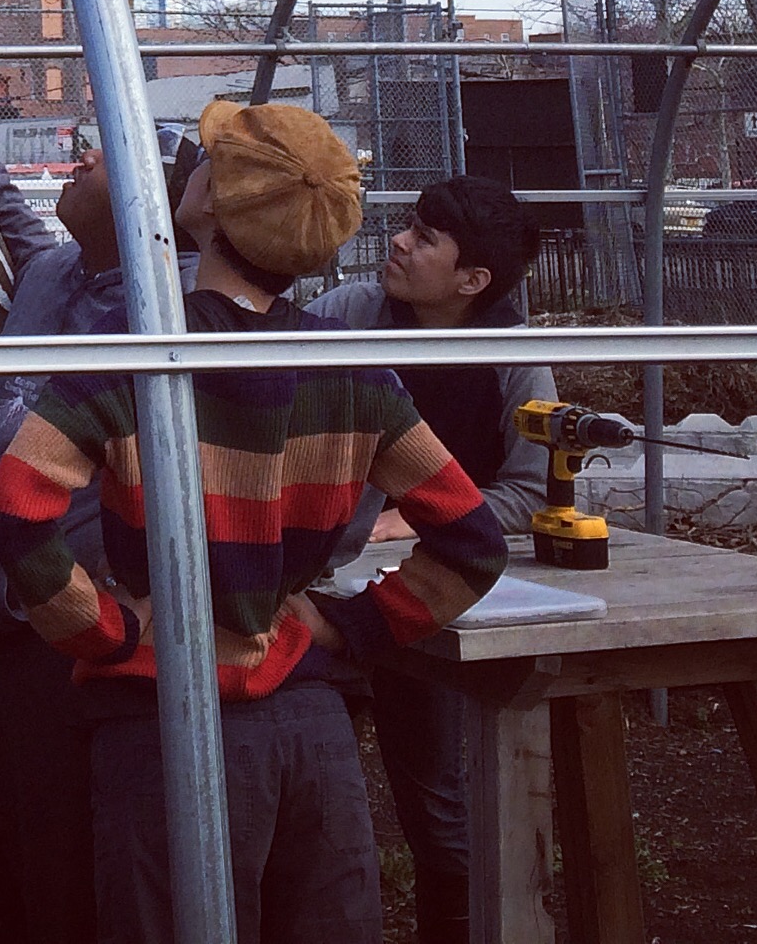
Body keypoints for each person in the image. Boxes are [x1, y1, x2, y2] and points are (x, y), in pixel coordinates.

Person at [0, 100, 511, 944]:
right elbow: (472, 540)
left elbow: (15, 507)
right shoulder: (353, 376)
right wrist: (347, 627)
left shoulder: (132, 357)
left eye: (206, 162)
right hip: (310, 724)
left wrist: (109, 631)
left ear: (212, 206)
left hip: (162, 727)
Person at [0, 129, 200, 944]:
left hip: (62, 651)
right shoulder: (54, 274)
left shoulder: (171, 308)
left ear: (154, 201)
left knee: (57, 886)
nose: (79, 157)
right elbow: (23, 234)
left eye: (103, 150)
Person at [306, 175, 553, 944]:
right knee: (307, 781)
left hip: (434, 584)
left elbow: (530, 487)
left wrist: (414, 517)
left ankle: (458, 916)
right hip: (318, 577)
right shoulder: (349, 313)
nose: (400, 242)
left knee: (435, 797)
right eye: (407, 224)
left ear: (472, 280)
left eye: (424, 237)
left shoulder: (512, 361)